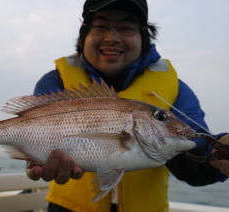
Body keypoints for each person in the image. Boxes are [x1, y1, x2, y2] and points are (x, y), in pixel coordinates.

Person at [27, 0, 229, 211]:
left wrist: (219, 154)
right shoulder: (56, 81)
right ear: (84, 34)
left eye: (126, 28)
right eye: (101, 26)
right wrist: (32, 160)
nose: (112, 38)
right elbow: (33, 133)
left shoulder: (175, 90)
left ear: (143, 36)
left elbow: (194, 149)